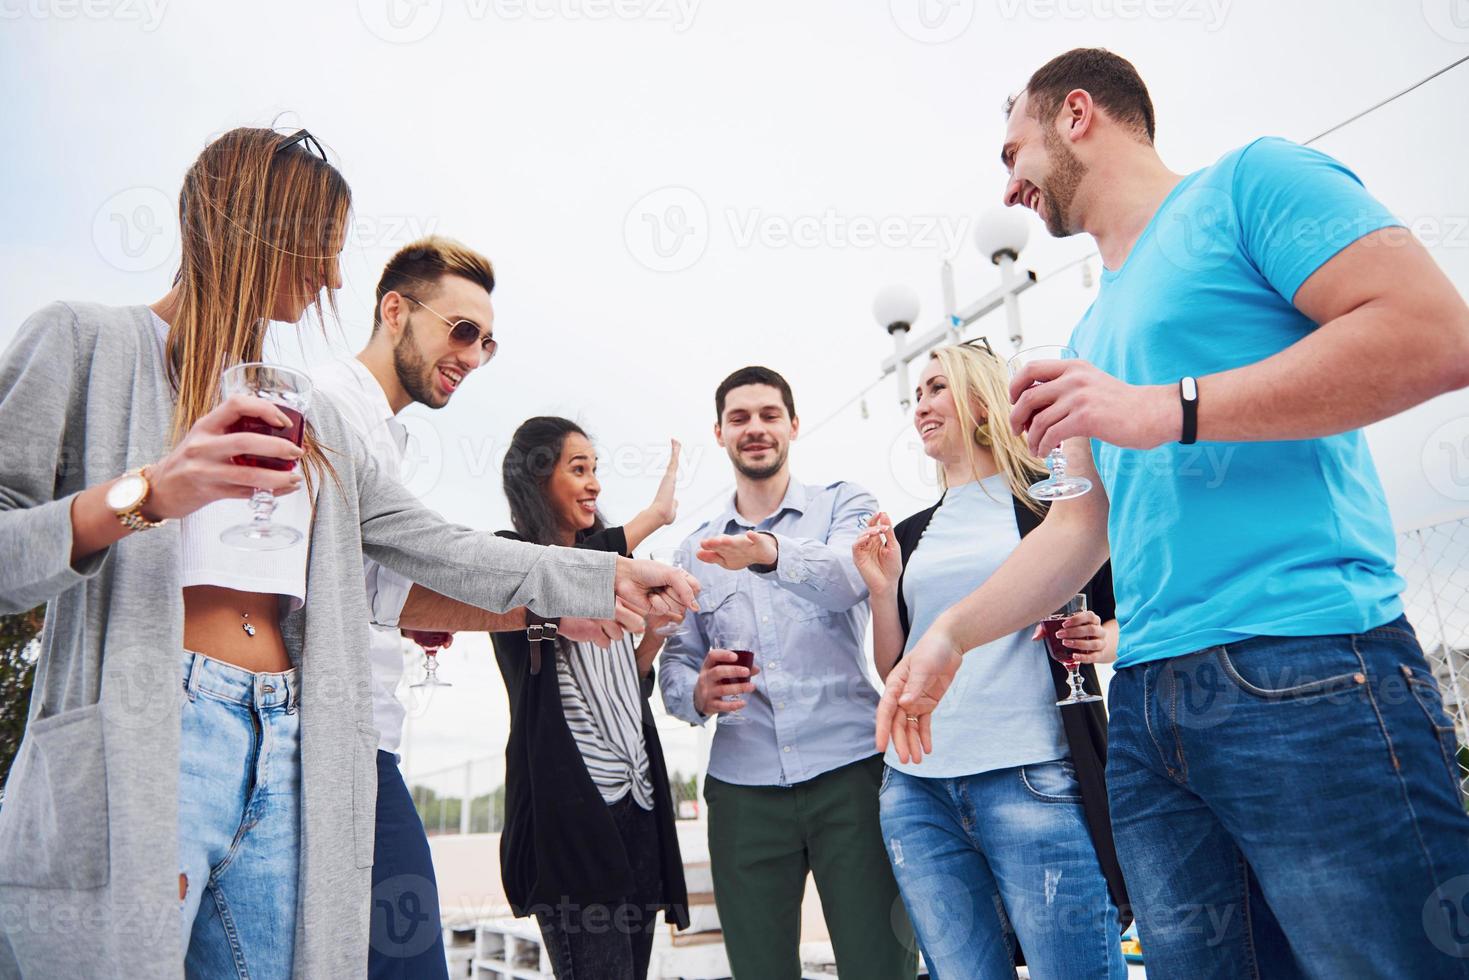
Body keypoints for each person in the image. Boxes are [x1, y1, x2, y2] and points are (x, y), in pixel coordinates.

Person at [0, 127, 695, 980]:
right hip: (154, 732)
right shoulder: (81, 341)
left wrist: (601, 574)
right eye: (322, 250)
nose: (334, 279)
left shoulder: (304, 412)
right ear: (256, 227)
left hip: (294, 742)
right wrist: (147, 494)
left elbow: (429, 545)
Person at [877, 48, 1469, 978]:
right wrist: (949, 633)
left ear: (1076, 115)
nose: (1009, 183)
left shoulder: (1251, 182)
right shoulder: (1089, 335)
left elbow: (1435, 335)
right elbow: (1077, 530)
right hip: (1150, 711)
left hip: (1305, 665)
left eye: (1011, 150)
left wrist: (1164, 409)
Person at [313, 236, 640, 978]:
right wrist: (593, 581)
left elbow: (384, 590)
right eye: (462, 331)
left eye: (488, 343)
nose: (474, 355)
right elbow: (424, 557)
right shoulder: (331, 408)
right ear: (394, 311)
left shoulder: (379, 434)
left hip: (368, 741)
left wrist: (554, 614)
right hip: (336, 742)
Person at [853, 341, 1129, 978]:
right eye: (915, 394)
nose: (920, 405)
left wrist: (1099, 640)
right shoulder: (913, 534)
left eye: (936, 388)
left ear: (981, 401)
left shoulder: (1055, 506)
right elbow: (897, 668)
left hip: (1032, 775)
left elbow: (1124, 618)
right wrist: (880, 589)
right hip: (915, 791)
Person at [661, 366, 917, 980]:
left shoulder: (844, 503)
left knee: (882, 964)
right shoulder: (693, 550)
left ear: (794, 425)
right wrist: (695, 690)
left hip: (850, 774)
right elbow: (676, 660)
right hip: (743, 791)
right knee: (758, 970)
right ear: (719, 433)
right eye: (740, 418)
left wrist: (771, 555)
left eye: (769, 415)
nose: (756, 429)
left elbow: (853, 578)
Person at [487, 417, 691, 980]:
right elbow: (566, 574)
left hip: (640, 805)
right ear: (535, 479)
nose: (594, 483)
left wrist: (653, 635)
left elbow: (625, 684)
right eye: (579, 469)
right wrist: (654, 517)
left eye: (595, 469)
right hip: (575, 822)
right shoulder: (507, 564)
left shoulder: (613, 580)